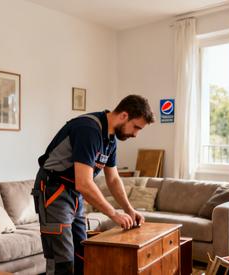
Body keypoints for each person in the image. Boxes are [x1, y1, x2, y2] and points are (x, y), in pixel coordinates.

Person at [33, 95, 153, 275]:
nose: (135, 134)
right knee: (63, 260)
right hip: (53, 191)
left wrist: (129, 209)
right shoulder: (88, 129)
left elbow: (113, 179)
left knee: (83, 253)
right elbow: (84, 183)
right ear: (123, 116)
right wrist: (114, 214)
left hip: (74, 195)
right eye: (136, 127)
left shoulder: (110, 139)